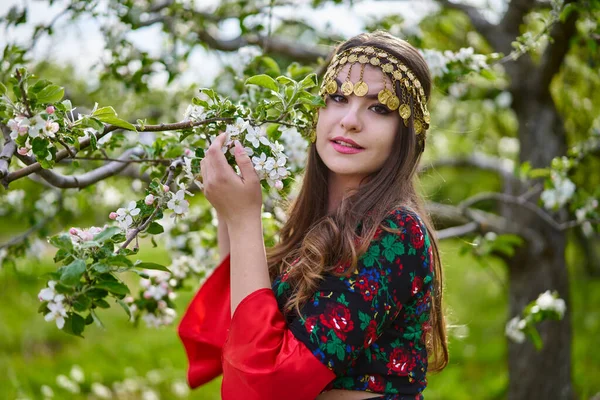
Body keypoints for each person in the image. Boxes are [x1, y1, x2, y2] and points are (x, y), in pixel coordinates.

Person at [178, 31, 448, 400]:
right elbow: (240, 333)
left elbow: (264, 387)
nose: (350, 120)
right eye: (337, 98)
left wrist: (244, 221)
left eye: (379, 107)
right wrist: (230, 213)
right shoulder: (312, 230)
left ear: (407, 133)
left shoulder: (396, 232)